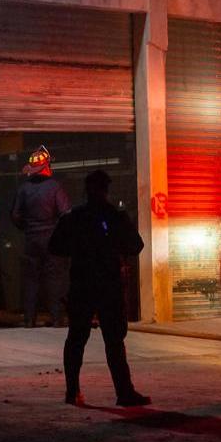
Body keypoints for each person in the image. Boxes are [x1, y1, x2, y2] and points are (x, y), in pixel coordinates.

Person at [48, 169, 150, 407]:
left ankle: (72, 391)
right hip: (109, 286)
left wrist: (80, 250)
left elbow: (55, 247)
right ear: (107, 189)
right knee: (114, 341)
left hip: (82, 284)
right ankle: (124, 392)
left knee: (76, 338)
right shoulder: (115, 216)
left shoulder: (73, 217)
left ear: (86, 189)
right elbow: (136, 245)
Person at [11, 145, 71, 327]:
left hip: (31, 240)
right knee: (54, 279)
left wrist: (28, 228)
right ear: (47, 166)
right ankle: (55, 319)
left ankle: (29, 320)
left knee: (31, 280)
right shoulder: (55, 187)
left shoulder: (24, 189)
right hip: (52, 240)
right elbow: (66, 214)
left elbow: (15, 215)